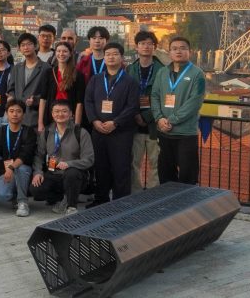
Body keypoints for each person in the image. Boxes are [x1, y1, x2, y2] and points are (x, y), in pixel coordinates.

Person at [84, 42, 140, 207]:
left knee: (121, 167)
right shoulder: (96, 80)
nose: (111, 57)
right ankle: (100, 199)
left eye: (115, 54)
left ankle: (120, 202)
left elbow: (133, 107)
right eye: (107, 54)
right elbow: (88, 101)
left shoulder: (130, 81)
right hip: (98, 130)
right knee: (100, 166)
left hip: (121, 132)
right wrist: (94, 121)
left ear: (122, 58)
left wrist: (115, 123)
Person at [150, 37, 206, 185]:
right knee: (165, 174)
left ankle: (187, 207)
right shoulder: (162, 72)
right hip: (164, 132)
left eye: (182, 48)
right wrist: (159, 118)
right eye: (174, 48)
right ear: (170, 52)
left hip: (185, 133)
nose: (178, 51)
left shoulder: (197, 74)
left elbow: (195, 102)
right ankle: (168, 206)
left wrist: (172, 120)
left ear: (190, 52)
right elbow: (154, 96)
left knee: (188, 175)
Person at [32, 101, 94, 215]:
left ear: (71, 114)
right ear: (52, 114)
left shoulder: (80, 132)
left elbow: (89, 159)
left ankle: (71, 206)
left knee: (71, 173)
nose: (60, 114)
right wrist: (38, 172)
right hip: (54, 173)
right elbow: (39, 155)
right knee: (35, 189)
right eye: (56, 111)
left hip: (76, 176)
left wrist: (69, 164)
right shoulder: (47, 132)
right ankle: (62, 198)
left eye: (64, 111)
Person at [127, 31, 165, 192]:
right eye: (142, 43)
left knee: (155, 162)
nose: (146, 46)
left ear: (154, 47)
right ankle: (135, 193)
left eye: (150, 43)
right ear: (136, 47)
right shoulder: (130, 69)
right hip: (134, 124)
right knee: (134, 162)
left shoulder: (162, 70)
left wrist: (147, 116)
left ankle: (153, 193)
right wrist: (136, 114)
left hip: (154, 124)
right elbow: (126, 95)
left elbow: (164, 97)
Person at [8, 33, 50, 135]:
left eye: (29, 44)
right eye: (23, 45)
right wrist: (11, 97)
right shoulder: (17, 68)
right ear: (19, 48)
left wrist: (35, 100)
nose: (26, 47)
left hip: (36, 118)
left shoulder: (46, 68)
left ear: (35, 46)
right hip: (18, 117)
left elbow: (49, 93)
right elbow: (11, 88)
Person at [42, 41, 85, 133]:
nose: (61, 54)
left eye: (65, 51)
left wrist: (77, 125)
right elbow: (43, 99)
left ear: (70, 54)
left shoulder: (77, 75)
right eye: (58, 51)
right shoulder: (49, 73)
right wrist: (40, 122)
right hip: (52, 116)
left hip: (69, 116)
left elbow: (79, 102)